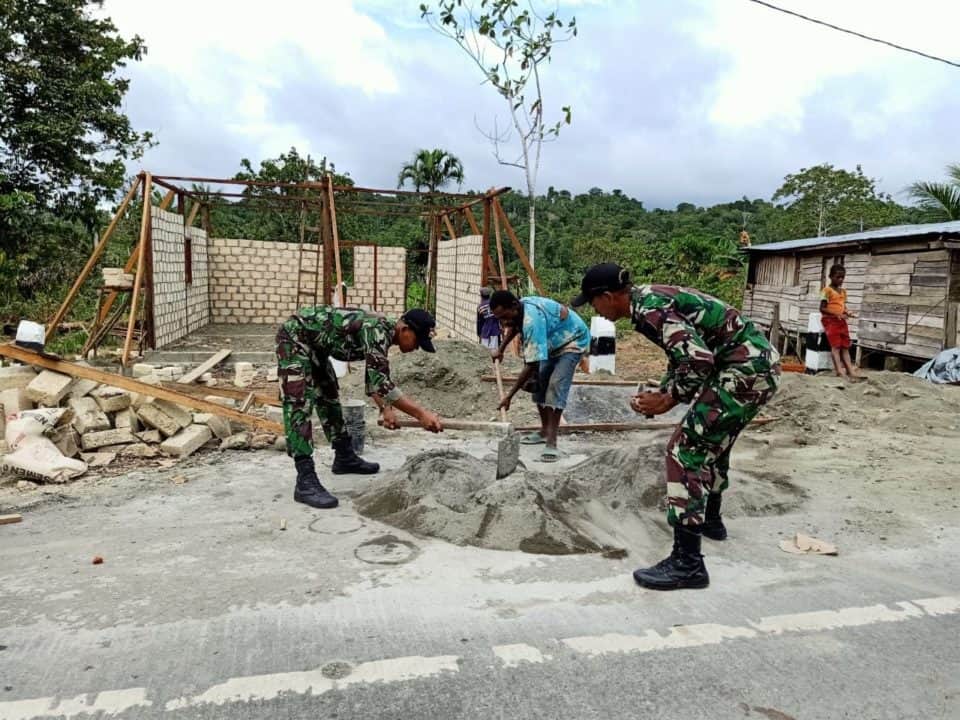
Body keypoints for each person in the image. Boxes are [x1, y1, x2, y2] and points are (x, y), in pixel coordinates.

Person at [572, 263, 780, 591]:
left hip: (743, 371)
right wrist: (665, 387)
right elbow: (682, 354)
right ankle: (711, 522)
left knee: (685, 451)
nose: (593, 310)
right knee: (712, 443)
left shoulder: (650, 310)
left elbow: (698, 360)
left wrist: (668, 399)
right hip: (754, 365)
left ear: (608, 297)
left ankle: (688, 564)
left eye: (593, 303)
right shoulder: (648, 300)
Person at [275, 306, 444, 509]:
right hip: (295, 338)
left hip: (316, 346)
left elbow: (374, 376)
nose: (416, 348)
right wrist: (421, 414)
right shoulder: (378, 330)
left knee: (328, 395)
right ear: (405, 329)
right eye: (418, 341)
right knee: (298, 403)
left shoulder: (385, 333)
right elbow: (380, 382)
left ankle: (344, 456)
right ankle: (305, 479)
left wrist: (385, 408)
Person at [490, 290, 589, 462]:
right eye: (499, 319)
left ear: (513, 306)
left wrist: (509, 396)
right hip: (552, 342)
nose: (503, 322)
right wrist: (501, 349)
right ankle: (544, 431)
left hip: (572, 340)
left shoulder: (532, 321)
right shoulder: (518, 310)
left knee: (555, 384)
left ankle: (552, 443)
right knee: (538, 384)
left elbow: (532, 364)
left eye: (504, 316)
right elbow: (513, 326)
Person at [820, 264, 860, 379]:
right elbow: (822, 308)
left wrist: (848, 312)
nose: (840, 280)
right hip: (830, 321)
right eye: (838, 277)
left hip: (841, 320)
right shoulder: (826, 291)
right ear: (830, 277)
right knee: (836, 346)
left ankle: (850, 370)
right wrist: (837, 314)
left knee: (845, 346)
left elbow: (842, 306)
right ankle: (839, 370)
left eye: (843, 277)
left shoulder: (843, 292)